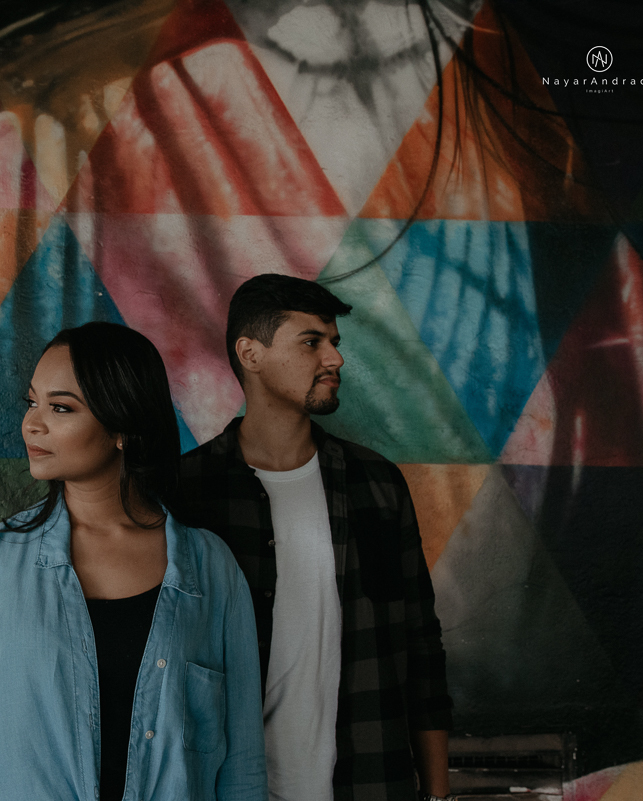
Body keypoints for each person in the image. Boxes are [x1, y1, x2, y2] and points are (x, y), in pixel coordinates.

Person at [0, 321, 267, 801]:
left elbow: (243, 765)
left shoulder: (211, 569)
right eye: (32, 402)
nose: (33, 423)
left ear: (122, 428)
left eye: (61, 407)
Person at [175, 275, 454, 801]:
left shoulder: (376, 484)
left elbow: (421, 643)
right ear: (250, 354)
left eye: (334, 342)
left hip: (369, 781)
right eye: (311, 342)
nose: (335, 359)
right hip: (228, 787)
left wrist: (437, 794)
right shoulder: (187, 493)